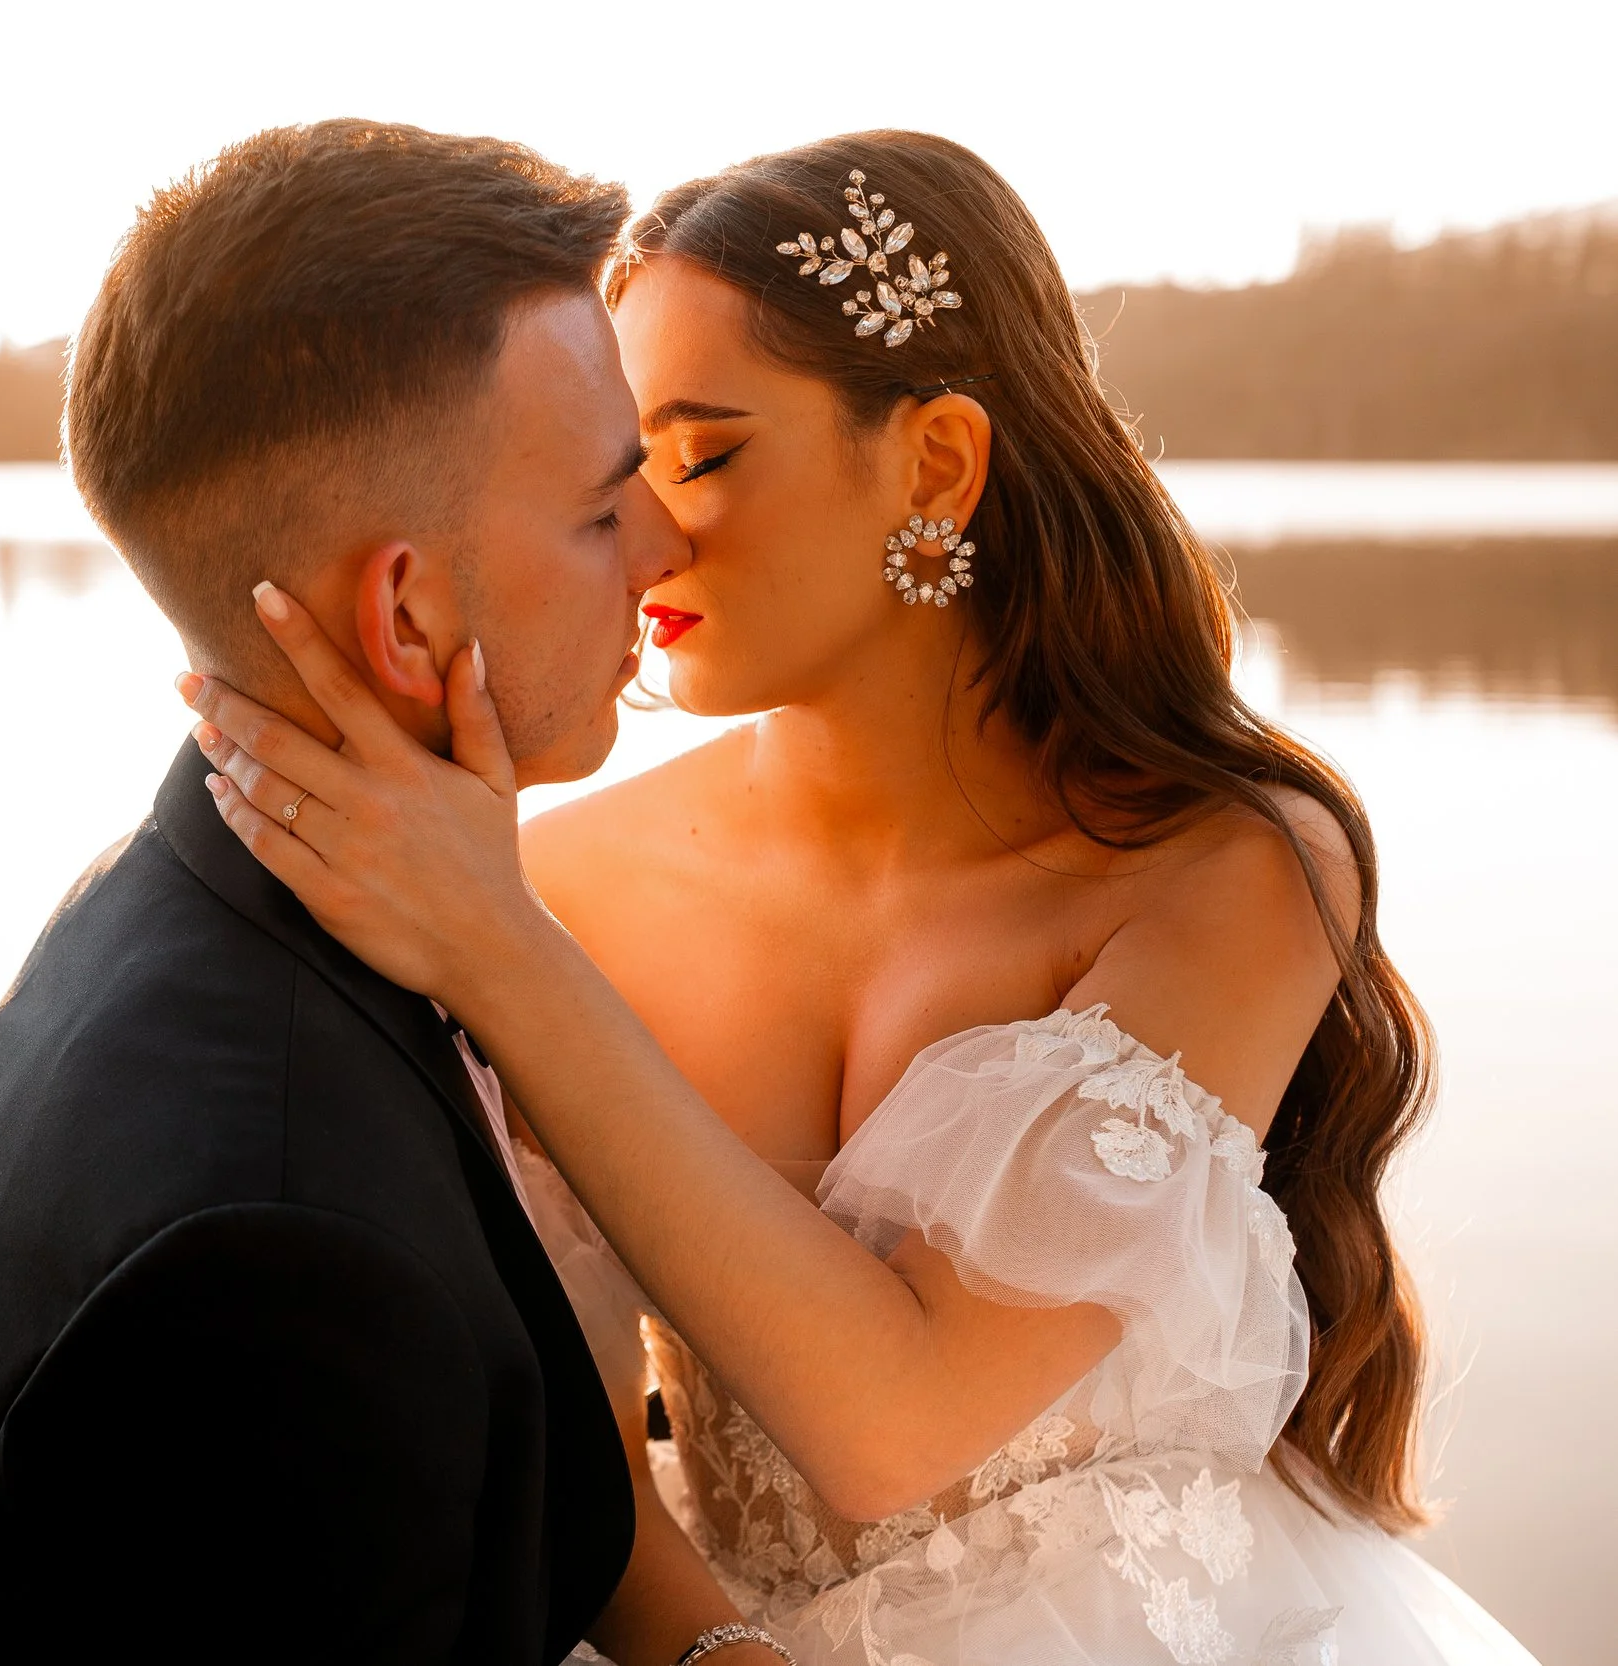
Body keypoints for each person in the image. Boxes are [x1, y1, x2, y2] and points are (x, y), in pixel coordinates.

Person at [184, 131, 1540, 1664]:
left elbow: (898, 1424)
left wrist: (501, 953)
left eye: (699, 457)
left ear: (936, 464)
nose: (645, 535)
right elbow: (574, 1438)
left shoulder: (1229, 866)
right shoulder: (555, 877)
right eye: (621, 471)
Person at [0, 120, 785, 1666]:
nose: (660, 538)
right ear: (405, 610)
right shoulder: (280, 1256)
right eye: (601, 502)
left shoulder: (175, 906)